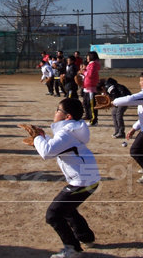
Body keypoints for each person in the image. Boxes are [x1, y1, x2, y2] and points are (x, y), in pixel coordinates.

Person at [33, 98, 100, 258]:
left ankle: (73, 250)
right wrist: (43, 137)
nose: (55, 112)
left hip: (82, 180)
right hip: (89, 176)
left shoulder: (66, 132)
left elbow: (47, 152)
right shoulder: (73, 129)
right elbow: (60, 146)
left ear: (67, 116)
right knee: (67, 209)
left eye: (58, 110)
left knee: (53, 215)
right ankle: (86, 237)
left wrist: (37, 138)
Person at [80, 51, 100, 126]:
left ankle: (94, 121)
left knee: (92, 105)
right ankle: (89, 117)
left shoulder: (93, 64)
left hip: (91, 87)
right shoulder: (91, 64)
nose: (87, 57)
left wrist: (84, 71)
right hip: (87, 87)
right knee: (87, 103)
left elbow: (90, 74)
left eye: (88, 56)